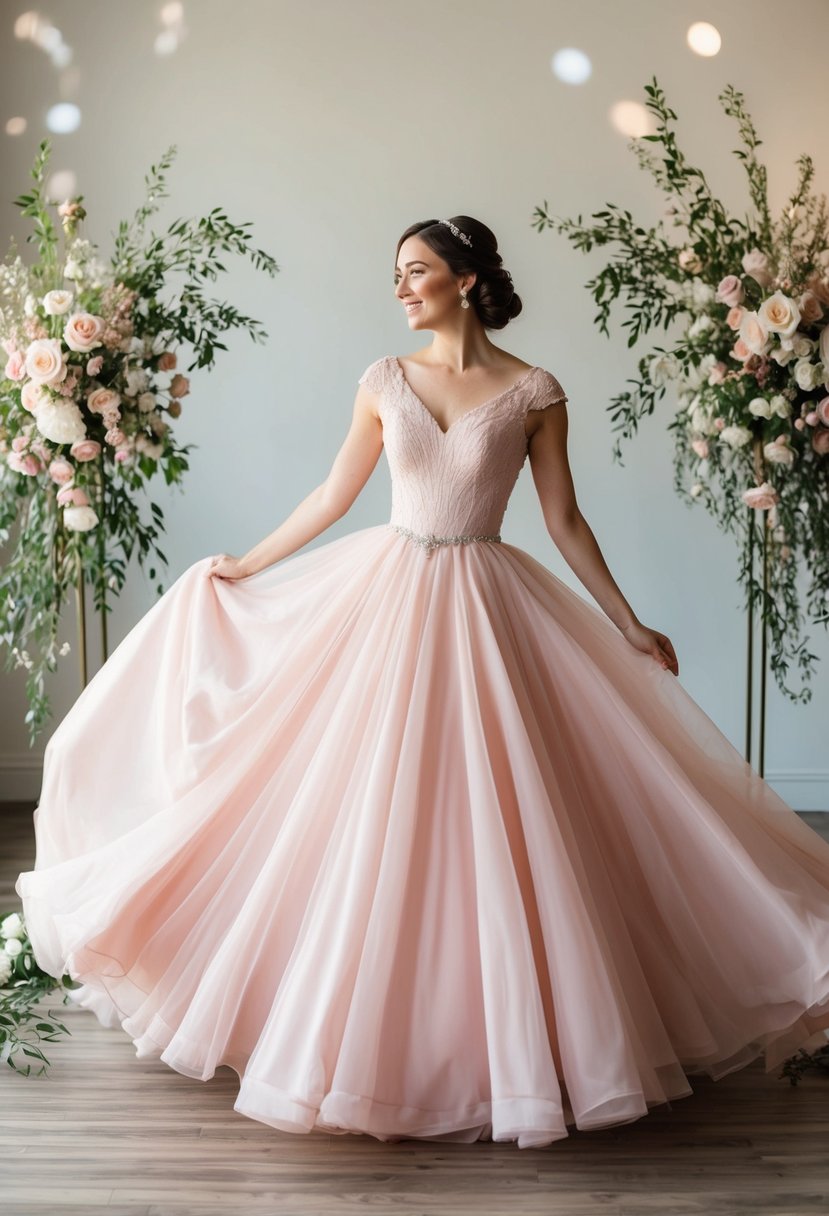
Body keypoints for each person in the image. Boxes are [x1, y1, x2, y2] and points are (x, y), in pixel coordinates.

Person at [15, 216, 829, 1151]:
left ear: (467, 279)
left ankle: (512, 1043)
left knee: (508, 810)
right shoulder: (382, 380)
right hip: (386, 594)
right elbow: (333, 496)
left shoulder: (533, 391)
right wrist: (244, 564)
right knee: (349, 800)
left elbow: (563, 521)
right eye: (397, 274)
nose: (401, 289)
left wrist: (626, 622)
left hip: (489, 602)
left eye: (418, 272)